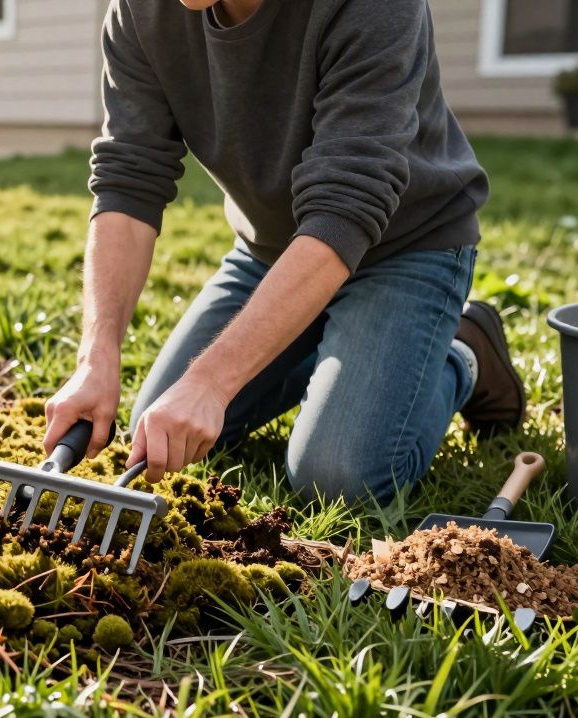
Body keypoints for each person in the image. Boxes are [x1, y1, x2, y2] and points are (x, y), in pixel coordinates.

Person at [43, 0, 526, 504]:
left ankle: (464, 354)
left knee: (338, 477)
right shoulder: (141, 12)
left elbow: (346, 207)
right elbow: (129, 181)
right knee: (159, 433)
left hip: (406, 247)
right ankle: (336, 344)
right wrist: (96, 356)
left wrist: (211, 382)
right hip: (270, 254)